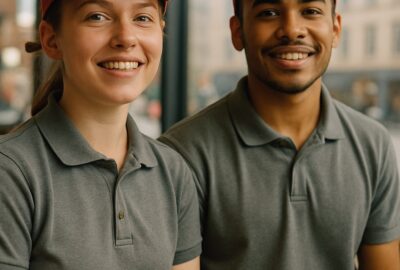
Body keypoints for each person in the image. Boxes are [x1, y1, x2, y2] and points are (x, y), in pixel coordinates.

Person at [159, 0, 400, 269]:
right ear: (238, 32)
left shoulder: (373, 144)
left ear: (335, 29)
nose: (292, 29)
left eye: (310, 11)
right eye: (269, 13)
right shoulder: (181, 154)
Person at [0, 0, 201, 269]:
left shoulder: (173, 172)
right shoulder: (10, 172)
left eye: (142, 18)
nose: (126, 38)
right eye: (97, 16)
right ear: (51, 39)